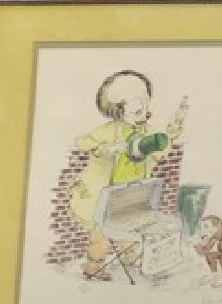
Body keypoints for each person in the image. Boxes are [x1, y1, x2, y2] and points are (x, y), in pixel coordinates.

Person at [68, 70, 188, 281]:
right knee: (101, 235)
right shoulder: (112, 130)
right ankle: (94, 266)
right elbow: (82, 141)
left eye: (145, 105)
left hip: (134, 194)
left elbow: (159, 150)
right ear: (119, 110)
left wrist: (171, 134)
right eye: (136, 109)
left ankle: (129, 255)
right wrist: (107, 148)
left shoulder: (146, 131)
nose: (143, 111)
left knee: (132, 220)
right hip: (105, 196)